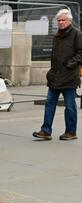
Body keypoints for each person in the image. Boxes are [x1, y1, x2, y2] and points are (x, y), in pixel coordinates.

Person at [33, 9, 82, 141]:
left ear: (69, 21)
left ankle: (71, 132)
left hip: (69, 77)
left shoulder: (77, 34)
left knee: (70, 106)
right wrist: (51, 72)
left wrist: (69, 64)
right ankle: (46, 130)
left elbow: (81, 53)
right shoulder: (56, 36)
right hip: (55, 76)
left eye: (63, 20)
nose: (60, 22)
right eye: (59, 20)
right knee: (49, 103)